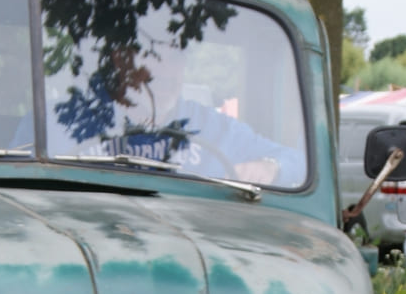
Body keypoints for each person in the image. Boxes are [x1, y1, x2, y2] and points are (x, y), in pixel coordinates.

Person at [47, 40, 306, 187]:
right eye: (155, 57)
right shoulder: (62, 122)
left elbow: (298, 163)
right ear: (122, 58)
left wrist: (269, 167)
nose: (169, 72)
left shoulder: (212, 127)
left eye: (177, 58)